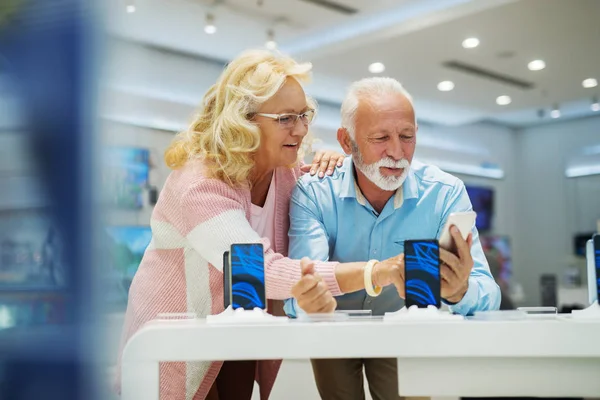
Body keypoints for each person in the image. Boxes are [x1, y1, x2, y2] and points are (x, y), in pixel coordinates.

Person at [114, 51, 409, 400]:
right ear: (244, 121)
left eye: (304, 115)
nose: (301, 129)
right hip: (177, 346)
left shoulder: (285, 175)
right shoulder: (200, 182)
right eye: (285, 118)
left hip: (238, 341)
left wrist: (336, 161)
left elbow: (316, 184)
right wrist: (374, 272)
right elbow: (260, 267)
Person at [284, 77, 501, 400]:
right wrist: (305, 298)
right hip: (332, 330)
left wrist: (460, 292)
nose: (397, 153)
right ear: (347, 141)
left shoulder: (445, 193)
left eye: (407, 136)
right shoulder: (314, 191)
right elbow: (301, 289)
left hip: (408, 333)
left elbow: (489, 294)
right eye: (381, 138)